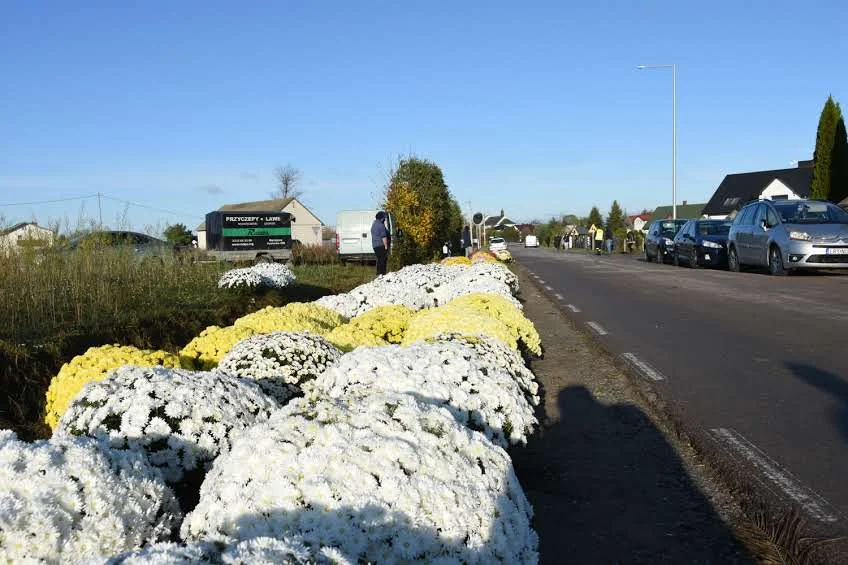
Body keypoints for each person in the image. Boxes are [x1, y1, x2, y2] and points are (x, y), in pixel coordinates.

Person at [371, 211, 389, 276]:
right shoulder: (381, 225)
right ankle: (382, 274)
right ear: (382, 218)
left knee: (379, 259)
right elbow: (383, 237)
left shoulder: (374, 224)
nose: (385, 219)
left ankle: (378, 273)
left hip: (375, 245)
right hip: (381, 245)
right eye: (384, 217)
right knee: (383, 260)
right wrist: (386, 246)